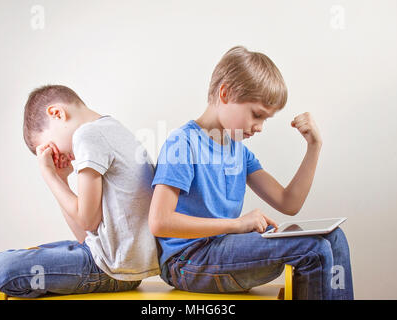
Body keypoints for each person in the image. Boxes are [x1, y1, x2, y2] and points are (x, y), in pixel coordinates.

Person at [149, 46, 353, 299]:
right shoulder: (183, 143)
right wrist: (237, 224)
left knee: (334, 238)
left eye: (266, 119)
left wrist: (314, 146)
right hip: (187, 262)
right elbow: (159, 222)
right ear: (225, 93)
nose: (259, 127)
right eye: (257, 115)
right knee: (313, 251)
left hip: (223, 250)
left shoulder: (239, 152)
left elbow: (288, 203)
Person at [0, 85, 160, 297]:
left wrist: (49, 175)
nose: (54, 157)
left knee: (2, 267)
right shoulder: (112, 129)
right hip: (120, 266)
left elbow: (87, 220)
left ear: (57, 113)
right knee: (26, 254)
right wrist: (62, 179)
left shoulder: (87, 135)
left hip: (111, 269)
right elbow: (85, 235)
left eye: (49, 148)